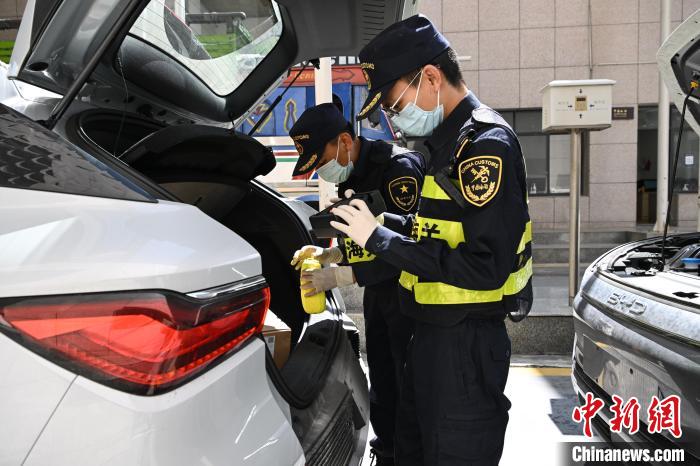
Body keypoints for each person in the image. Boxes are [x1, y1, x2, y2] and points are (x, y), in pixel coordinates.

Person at [329, 15, 533, 465]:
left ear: (432, 78)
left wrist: (381, 240)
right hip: (429, 335)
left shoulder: (483, 146)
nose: (393, 117)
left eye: (394, 103)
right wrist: (381, 224)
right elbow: (435, 230)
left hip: (465, 346)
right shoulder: (446, 144)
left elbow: (486, 265)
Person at [288, 102, 426, 465]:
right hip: (378, 296)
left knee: (408, 383)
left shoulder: (398, 170)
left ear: (346, 141)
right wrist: (332, 255)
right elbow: (365, 238)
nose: (323, 171)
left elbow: (408, 248)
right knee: (381, 376)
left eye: (322, 161)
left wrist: (343, 275)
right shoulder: (352, 173)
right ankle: (387, 450)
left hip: (410, 297)